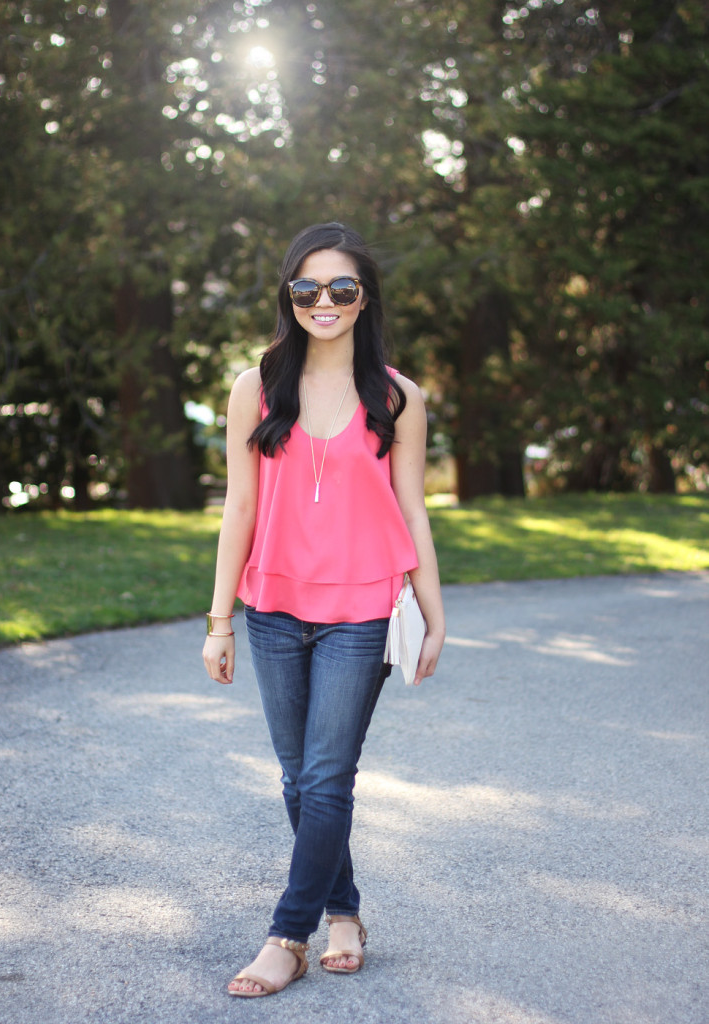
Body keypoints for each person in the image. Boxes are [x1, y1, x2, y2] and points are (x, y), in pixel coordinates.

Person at [202, 222, 445, 998]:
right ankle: (344, 912)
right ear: (289, 297)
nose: (323, 302)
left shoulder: (397, 396)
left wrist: (435, 614)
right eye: (306, 289)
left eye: (340, 288)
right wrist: (217, 621)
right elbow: (238, 507)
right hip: (271, 606)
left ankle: (286, 936)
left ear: (363, 297)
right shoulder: (255, 386)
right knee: (298, 778)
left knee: (327, 775)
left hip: (362, 609)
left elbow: (413, 507)